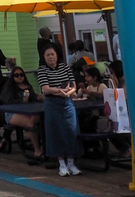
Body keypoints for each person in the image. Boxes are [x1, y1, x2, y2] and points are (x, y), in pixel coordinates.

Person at [37, 45, 81, 176]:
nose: (51, 57)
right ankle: (61, 163)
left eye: (53, 54)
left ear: (57, 55)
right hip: (52, 103)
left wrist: (68, 93)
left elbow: (74, 86)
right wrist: (60, 91)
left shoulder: (65, 67)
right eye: (48, 55)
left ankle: (71, 163)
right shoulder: (42, 70)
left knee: (71, 131)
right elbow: (46, 88)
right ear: (44, 57)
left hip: (68, 102)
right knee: (56, 132)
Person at [0, 66, 42, 157]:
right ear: (13, 76)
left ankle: (42, 146)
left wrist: (38, 97)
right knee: (32, 125)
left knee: (40, 118)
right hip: (12, 113)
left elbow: (33, 98)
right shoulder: (9, 87)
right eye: (16, 75)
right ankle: (37, 151)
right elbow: (9, 102)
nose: (19, 77)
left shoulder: (28, 86)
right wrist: (21, 100)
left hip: (28, 111)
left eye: (21, 75)